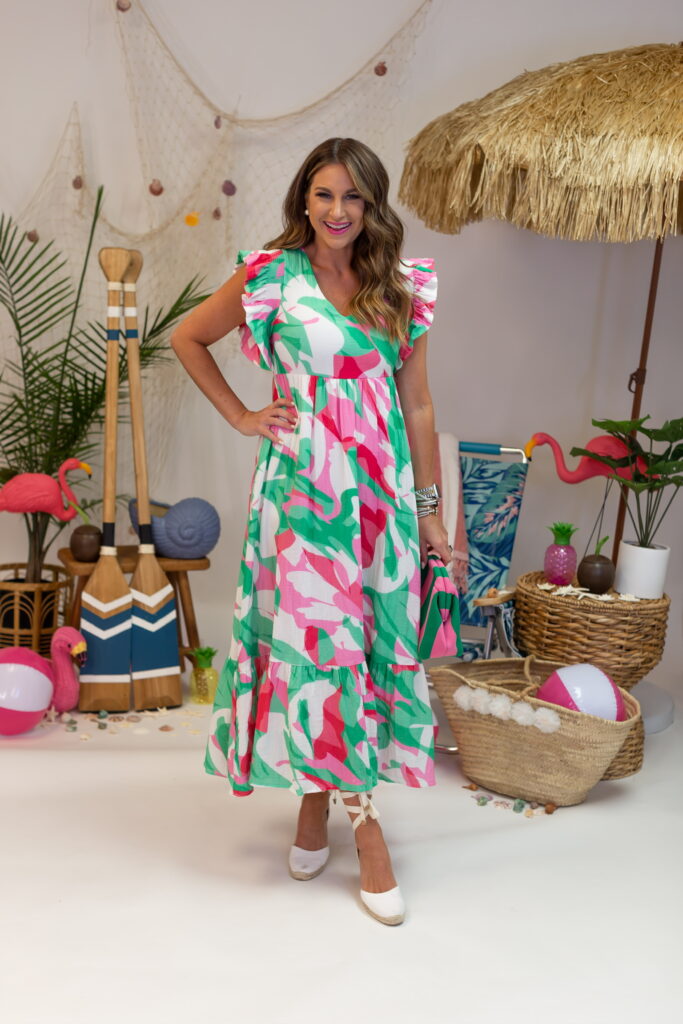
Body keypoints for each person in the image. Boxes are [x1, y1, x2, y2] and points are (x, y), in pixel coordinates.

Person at [170, 137, 452, 926]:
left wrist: (430, 512)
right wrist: (242, 415)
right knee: (320, 643)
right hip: (300, 497)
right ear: (303, 198)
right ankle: (367, 832)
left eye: (353, 197)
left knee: (358, 641)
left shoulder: (400, 286)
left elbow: (418, 404)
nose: (337, 211)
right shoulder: (270, 277)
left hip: (378, 498)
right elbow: (187, 337)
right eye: (324, 194)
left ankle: (313, 799)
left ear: (372, 205)